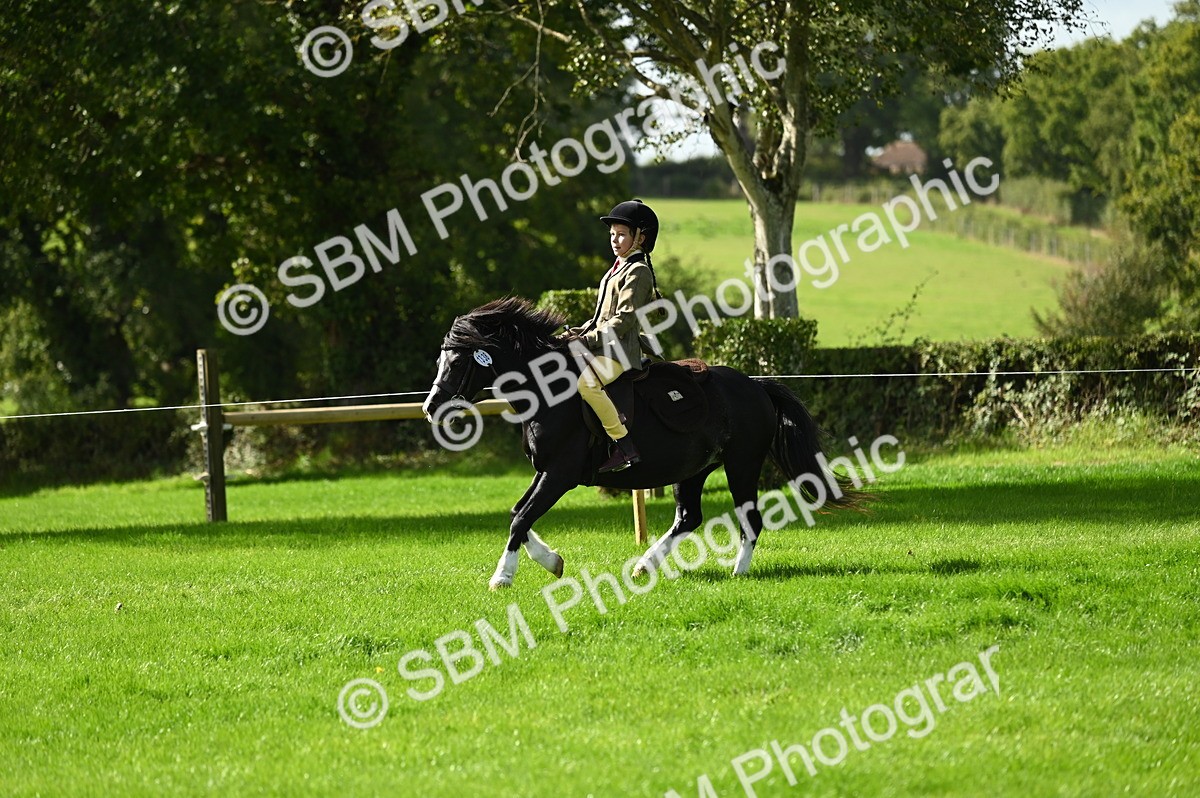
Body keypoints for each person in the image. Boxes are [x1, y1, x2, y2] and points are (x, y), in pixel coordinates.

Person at [564, 199, 664, 474]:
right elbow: (601, 317)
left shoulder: (638, 271)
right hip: (603, 348)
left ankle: (624, 445)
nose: (615, 240)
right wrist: (578, 332)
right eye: (612, 235)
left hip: (621, 353)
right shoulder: (616, 268)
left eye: (621, 234)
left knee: (587, 385)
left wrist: (588, 340)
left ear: (640, 238)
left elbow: (623, 320)